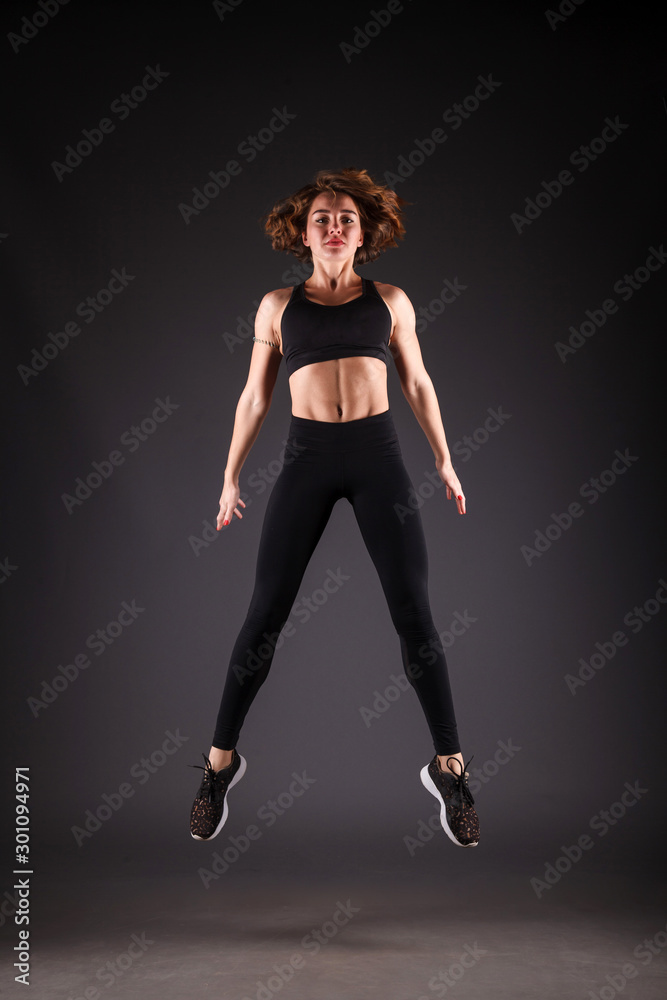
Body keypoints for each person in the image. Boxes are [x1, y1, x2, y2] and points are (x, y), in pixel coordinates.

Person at [189, 168, 480, 849]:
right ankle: (217, 767)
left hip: (378, 459)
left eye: (345, 218)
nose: (333, 227)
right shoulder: (276, 307)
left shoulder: (391, 301)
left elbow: (416, 378)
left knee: (413, 610)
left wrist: (443, 458)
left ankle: (451, 769)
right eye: (321, 217)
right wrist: (229, 476)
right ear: (301, 232)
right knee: (264, 612)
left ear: (362, 233)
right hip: (307, 461)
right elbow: (255, 398)